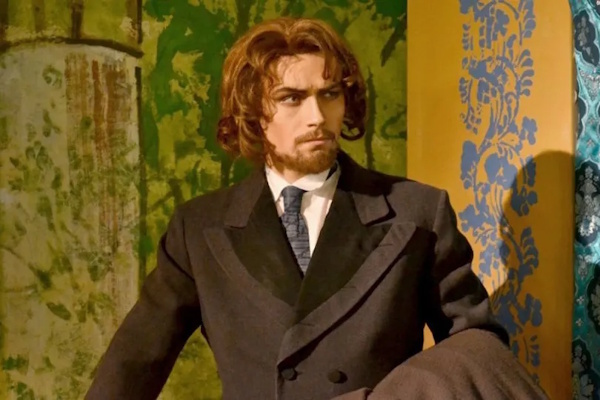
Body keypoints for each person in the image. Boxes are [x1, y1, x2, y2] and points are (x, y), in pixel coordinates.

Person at [86, 17, 547, 400]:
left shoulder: (417, 211)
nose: (317, 117)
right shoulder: (199, 228)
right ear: (252, 111)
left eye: (329, 94)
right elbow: (135, 362)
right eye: (291, 98)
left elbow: (476, 350)